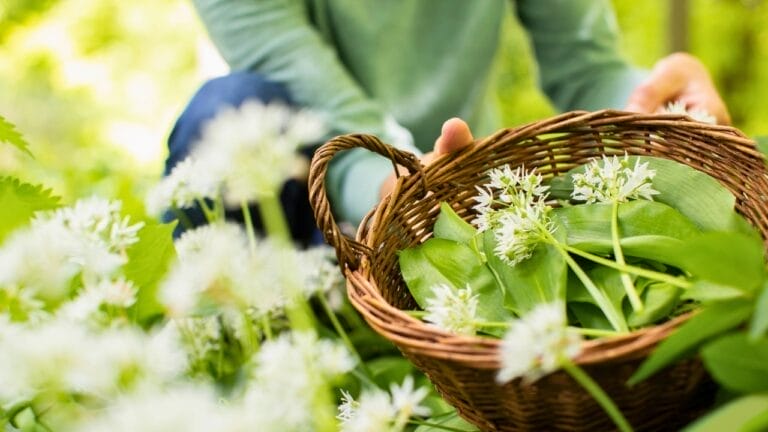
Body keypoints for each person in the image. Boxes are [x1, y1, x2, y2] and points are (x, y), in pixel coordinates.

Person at [166, 0, 729, 243]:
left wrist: (656, 107)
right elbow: (332, 117)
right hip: (311, 203)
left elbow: (586, 69)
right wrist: (401, 191)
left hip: (462, 190)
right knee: (222, 112)